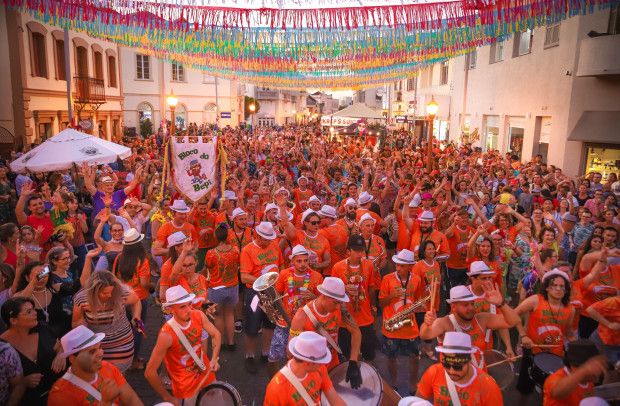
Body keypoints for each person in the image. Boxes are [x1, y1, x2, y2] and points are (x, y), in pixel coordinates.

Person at [145, 285, 221, 406]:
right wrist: (167, 397)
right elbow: (150, 372)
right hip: (185, 388)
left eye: (190, 304)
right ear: (170, 309)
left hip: (206, 374)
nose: (189, 310)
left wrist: (214, 359)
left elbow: (216, 334)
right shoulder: (166, 335)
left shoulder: (198, 315)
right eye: (182, 307)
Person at [420, 285, 520, 369]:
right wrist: (426, 323)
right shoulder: (444, 323)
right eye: (465, 305)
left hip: (479, 378)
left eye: (472, 303)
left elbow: (514, 321)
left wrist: (501, 304)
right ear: (453, 307)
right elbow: (425, 335)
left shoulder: (482, 319)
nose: (471, 308)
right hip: (453, 379)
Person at [288, 277, 363, 389]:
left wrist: (353, 361)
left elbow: (356, 332)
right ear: (324, 296)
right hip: (311, 372)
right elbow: (290, 353)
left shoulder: (340, 308)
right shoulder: (301, 316)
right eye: (335, 302)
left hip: (333, 367)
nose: (338, 306)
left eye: (340, 303)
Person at [47, 325, 143, 406]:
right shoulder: (60, 394)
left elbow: (130, 398)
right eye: (92, 352)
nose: (101, 353)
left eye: (100, 347)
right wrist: (105, 402)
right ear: (72, 359)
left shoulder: (108, 367)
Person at [267, 245, 323, 375]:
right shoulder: (284, 274)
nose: (303, 264)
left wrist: (314, 297)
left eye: (305, 261)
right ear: (292, 261)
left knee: (301, 356)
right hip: (285, 322)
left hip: (307, 323)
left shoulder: (317, 276)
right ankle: (275, 383)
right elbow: (277, 296)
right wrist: (280, 313)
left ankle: (298, 381)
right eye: (299, 261)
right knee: (273, 355)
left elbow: (322, 303)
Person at [72, 270, 142, 373]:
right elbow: (76, 322)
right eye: (105, 293)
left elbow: (136, 301)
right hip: (96, 346)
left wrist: (136, 317)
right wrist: (86, 337)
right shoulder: (82, 299)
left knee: (116, 376)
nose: (109, 295)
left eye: (111, 292)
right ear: (93, 291)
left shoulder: (120, 293)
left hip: (121, 344)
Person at [0, 297, 66, 405]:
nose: (35, 313)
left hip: (59, 392)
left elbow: (60, 344)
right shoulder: (3, 349)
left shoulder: (43, 328)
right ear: (13, 320)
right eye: (29, 312)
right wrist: (23, 382)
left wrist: (61, 354)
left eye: (34, 309)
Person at [379, 249, 425, 394]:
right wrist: (391, 295)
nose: (398, 268)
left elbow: (417, 300)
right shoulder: (387, 279)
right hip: (391, 328)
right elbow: (381, 303)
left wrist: (419, 307)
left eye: (402, 266)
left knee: (415, 357)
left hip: (410, 328)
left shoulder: (417, 279)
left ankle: (412, 383)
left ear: (410, 266)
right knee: (391, 357)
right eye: (397, 265)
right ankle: (393, 382)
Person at [239, 221, 283, 373]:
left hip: (273, 292)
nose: (268, 241)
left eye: (270, 238)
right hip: (255, 295)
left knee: (270, 323)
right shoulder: (247, 250)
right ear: (257, 235)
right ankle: (249, 356)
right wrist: (264, 279)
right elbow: (244, 277)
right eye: (265, 238)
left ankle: (265, 353)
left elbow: (281, 265)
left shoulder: (275, 245)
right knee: (252, 324)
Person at [416, 331, 503, 405]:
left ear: (469, 361)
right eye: (446, 365)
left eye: (457, 367)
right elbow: (418, 400)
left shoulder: (488, 387)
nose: (451, 371)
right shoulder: (434, 372)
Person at [264, 331, 345, 406]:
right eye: (320, 362)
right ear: (308, 363)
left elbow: (334, 399)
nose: (323, 364)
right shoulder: (276, 388)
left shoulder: (320, 369)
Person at [331, 234, 378, 361]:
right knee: (347, 356)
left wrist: (372, 305)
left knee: (369, 355)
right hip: (346, 320)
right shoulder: (337, 267)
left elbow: (371, 287)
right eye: (356, 250)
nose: (359, 253)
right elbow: (332, 293)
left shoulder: (368, 265)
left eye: (361, 250)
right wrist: (344, 288)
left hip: (365, 318)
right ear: (348, 251)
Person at [516, 269, 577, 357]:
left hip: (556, 354)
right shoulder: (535, 300)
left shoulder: (571, 309)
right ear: (547, 287)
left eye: (562, 286)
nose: (558, 289)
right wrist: (523, 336)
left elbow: (568, 333)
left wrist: (579, 348)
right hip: (533, 351)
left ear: (566, 290)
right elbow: (513, 314)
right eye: (554, 285)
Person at [205, 224, 241, 350]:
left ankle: (221, 343)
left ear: (216, 236)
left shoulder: (211, 253)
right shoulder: (236, 250)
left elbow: (208, 267)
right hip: (233, 287)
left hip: (216, 288)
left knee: (219, 315)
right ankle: (231, 343)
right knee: (230, 314)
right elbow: (238, 264)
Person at [543, 340, 607, 406]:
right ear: (574, 366)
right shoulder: (556, 377)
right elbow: (557, 393)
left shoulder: (589, 383)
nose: (599, 372)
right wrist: (583, 371)